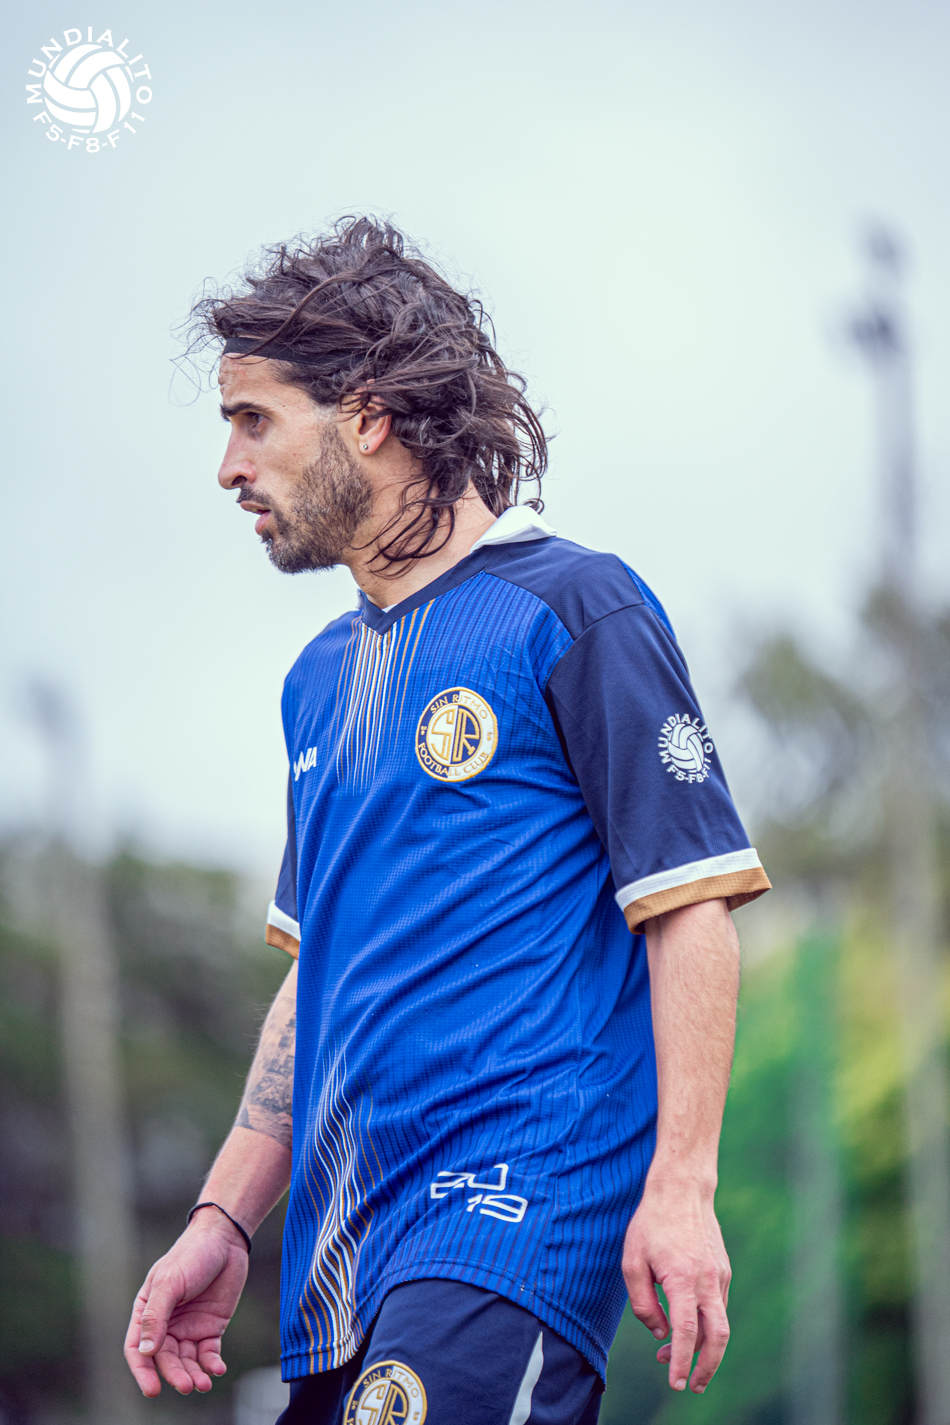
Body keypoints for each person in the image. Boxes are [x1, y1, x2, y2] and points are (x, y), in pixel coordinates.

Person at [124, 216, 770, 1425]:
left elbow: (691, 908)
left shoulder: (573, 608)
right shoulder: (318, 678)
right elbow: (316, 973)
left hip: (514, 1212)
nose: (227, 466)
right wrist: (223, 1217)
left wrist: (682, 1188)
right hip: (344, 1254)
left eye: (253, 419)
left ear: (366, 416)